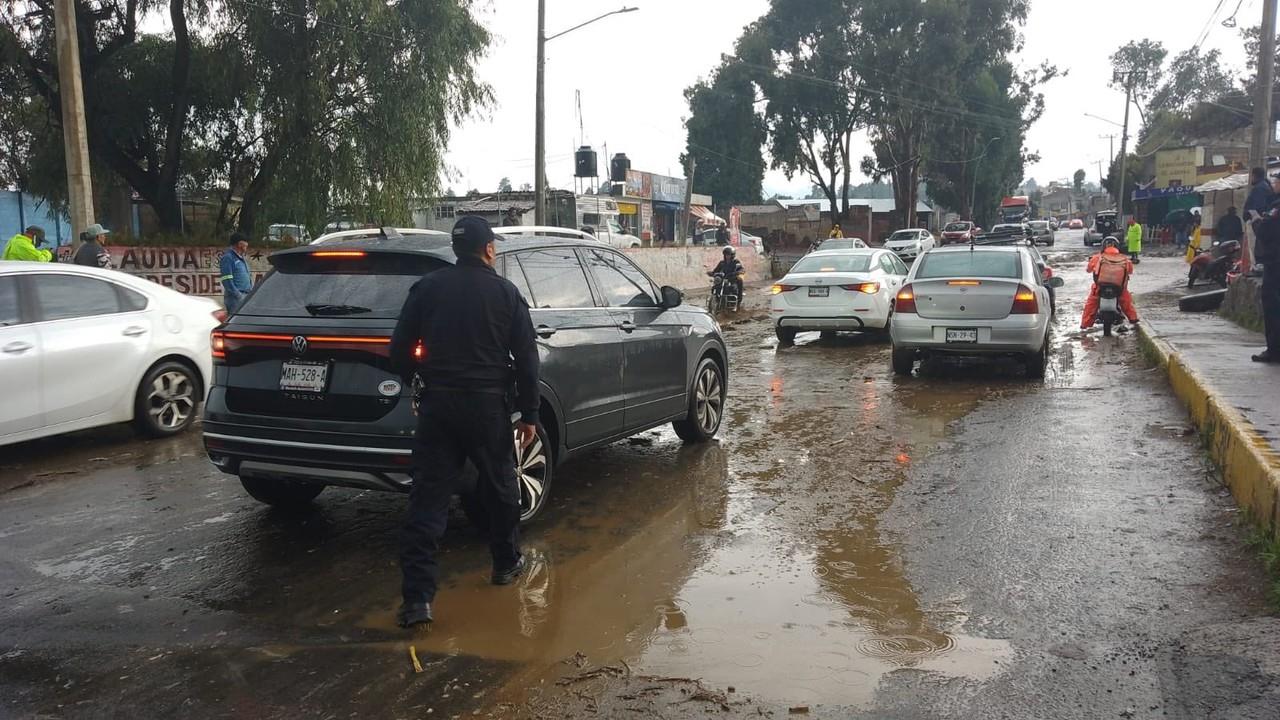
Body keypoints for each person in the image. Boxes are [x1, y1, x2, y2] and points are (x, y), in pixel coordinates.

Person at [389, 216, 540, 627]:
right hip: (487, 407)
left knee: (427, 500)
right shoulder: (506, 294)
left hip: (438, 406)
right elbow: (527, 359)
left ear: (456, 250)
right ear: (488, 249)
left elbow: (399, 350)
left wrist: (416, 381)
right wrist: (529, 414)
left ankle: (418, 601)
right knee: (500, 484)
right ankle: (505, 565)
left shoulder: (427, 289)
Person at [1080, 237, 1139, 329]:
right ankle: (1133, 319)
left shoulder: (1097, 257)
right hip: (1119, 288)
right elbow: (1130, 271)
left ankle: (1085, 325)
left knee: (1091, 304)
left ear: (1103, 246)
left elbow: (1088, 269)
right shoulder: (1124, 259)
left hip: (1100, 287)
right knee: (1126, 300)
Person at [1251, 183, 1280, 362]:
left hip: (1275, 263)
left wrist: (1255, 219)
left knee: (1273, 307)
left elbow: (1265, 230)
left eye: (1277, 181)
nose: (1274, 184)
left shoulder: (1276, 208)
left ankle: (1274, 350)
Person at [219, 232, 253, 314]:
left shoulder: (241, 258)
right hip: (235, 299)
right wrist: (238, 295)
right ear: (240, 244)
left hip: (245, 296)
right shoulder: (228, 258)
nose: (247, 244)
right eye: (246, 241)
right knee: (237, 324)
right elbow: (226, 280)